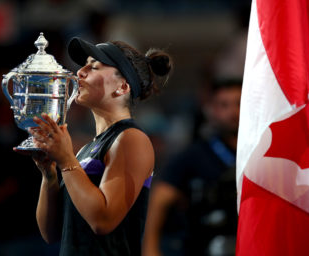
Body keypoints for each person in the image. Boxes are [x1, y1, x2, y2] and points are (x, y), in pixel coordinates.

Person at [15, 37, 172, 255]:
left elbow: (103, 221)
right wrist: (49, 174)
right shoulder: (86, 150)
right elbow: (51, 232)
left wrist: (67, 160)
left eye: (94, 66)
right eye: (84, 65)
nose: (80, 72)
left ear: (122, 86)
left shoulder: (132, 138)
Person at [142, 78, 242, 256]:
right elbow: (159, 200)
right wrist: (151, 249)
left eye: (239, 104)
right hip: (201, 246)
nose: (233, 112)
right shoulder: (193, 156)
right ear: (211, 111)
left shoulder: (260, 154)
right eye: (224, 105)